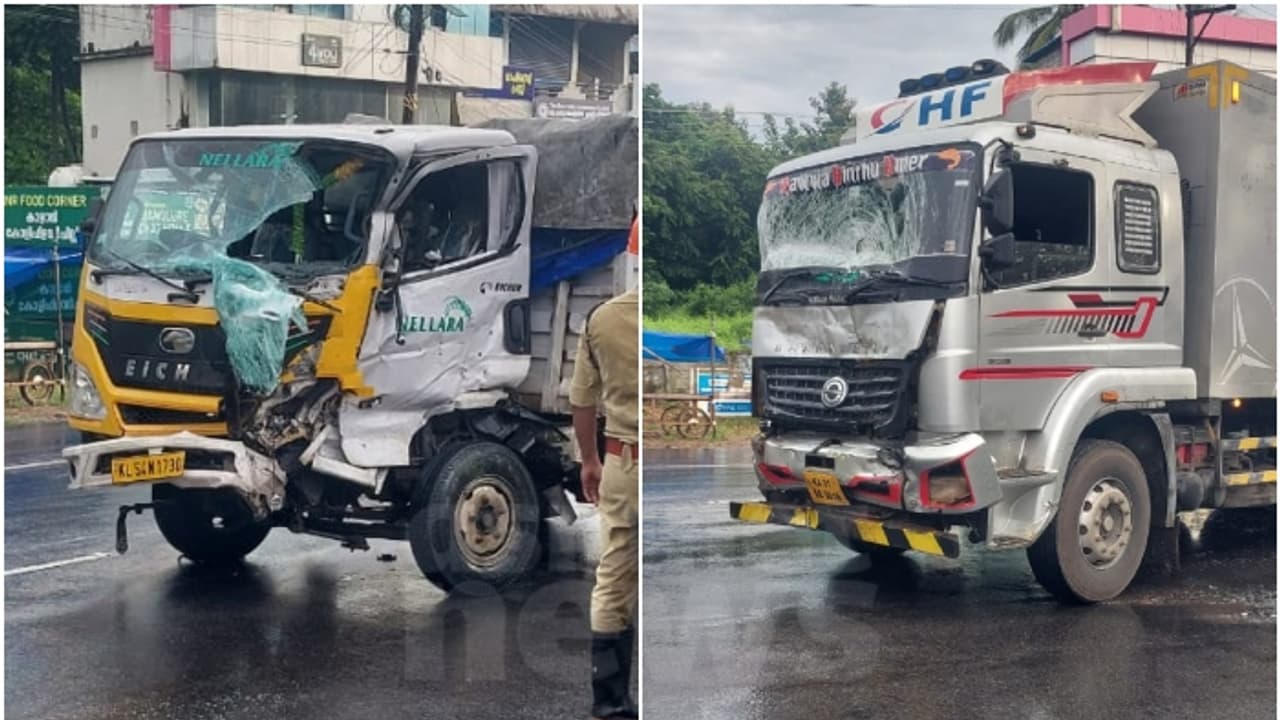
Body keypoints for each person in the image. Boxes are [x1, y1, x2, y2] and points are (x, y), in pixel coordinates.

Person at [570, 284, 639, 720]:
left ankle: (611, 703)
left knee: (614, 579)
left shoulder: (602, 318)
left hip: (623, 463)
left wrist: (590, 461)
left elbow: (582, 400)